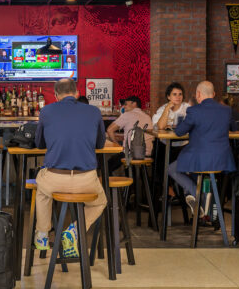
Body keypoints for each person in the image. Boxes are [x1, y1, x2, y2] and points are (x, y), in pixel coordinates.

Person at [32, 78, 107, 254]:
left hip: (54, 179)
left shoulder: (46, 111)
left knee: (41, 188)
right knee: (100, 202)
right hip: (86, 180)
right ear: (77, 93)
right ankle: (74, 230)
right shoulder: (94, 111)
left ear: (56, 95)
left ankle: (42, 233)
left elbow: (39, 144)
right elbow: (100, 144)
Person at [169, 81, 237, 215]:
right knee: (194, 172)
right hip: (222, 160)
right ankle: (207, 208)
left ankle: (200, 197)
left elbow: (179, 132)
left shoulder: (194, 110)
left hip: (199, 159)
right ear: (214, 94)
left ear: (198, 94)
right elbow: (233, 129)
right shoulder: (227, 110)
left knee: (171, 169)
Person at [106, 95, 154, 172]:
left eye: (125, 104)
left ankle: (113, 183)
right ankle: (133, 182)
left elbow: (109, 130)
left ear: (134, 104)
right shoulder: (147, 116)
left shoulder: (128, 114)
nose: (123, 106)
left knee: (106, 166)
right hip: (148, 153)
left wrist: (117, 146)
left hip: (131, 154)